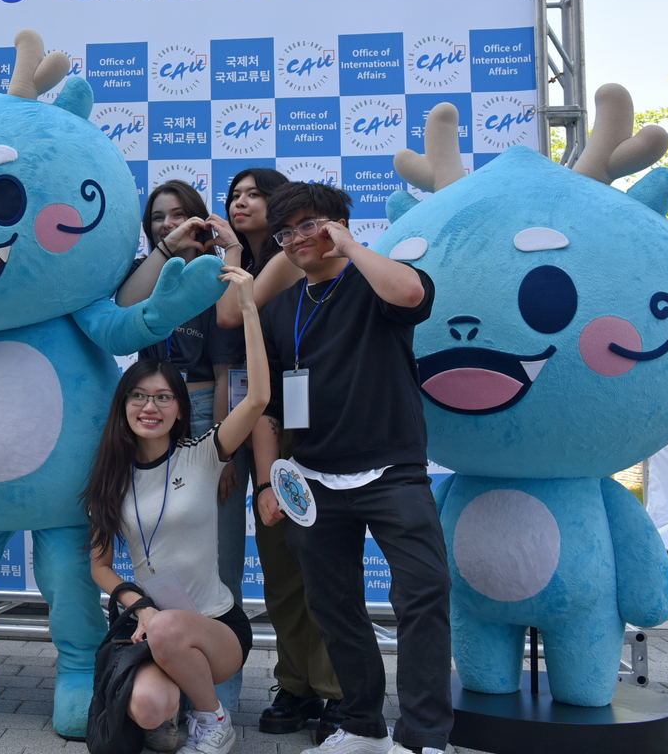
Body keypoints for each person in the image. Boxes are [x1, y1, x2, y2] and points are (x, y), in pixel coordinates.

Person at [251, 182, 451, 754]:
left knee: (423, 596)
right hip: (313, 481)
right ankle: (363, 725)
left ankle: (425, 737)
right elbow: (267, 406)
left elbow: (412, 294)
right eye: (286, 233)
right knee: (334, 609)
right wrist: (268, 480)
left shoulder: (375, 280)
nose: (296, 241)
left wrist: (352, 247)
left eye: (309, 225)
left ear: (338, 223)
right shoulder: (284, 309)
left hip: (393, 472)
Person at [85, 263, 270, 754]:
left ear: (179, 408)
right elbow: (100, 567)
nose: (151, 407)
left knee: (169, 627)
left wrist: (249, 307)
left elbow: (257, 399)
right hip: (150, 624)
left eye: (164, 397)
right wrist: (139, 607)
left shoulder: (204, 454)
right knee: (146, 707)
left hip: (217, 628)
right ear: (124, 407)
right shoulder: (111, 476)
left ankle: (213, 721)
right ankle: (172, 714)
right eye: (139, 396)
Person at [214, 170, 342, 743]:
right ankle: (296, 682)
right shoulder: (241, 268)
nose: (240, 203)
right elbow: (230, 333)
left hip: (327, 429)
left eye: (253, 194)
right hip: (266, 423)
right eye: (233, 196)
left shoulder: (306, 260)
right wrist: (265, 477)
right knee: (281, 568)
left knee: (325, 568)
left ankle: (337, 691)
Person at [115, 180, 245, 727]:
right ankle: (169, 675)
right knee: (158, 557)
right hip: (152, 417)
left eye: (177, 216)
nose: (167, 224)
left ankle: (222, 697)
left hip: (202, 417)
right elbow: (123, 308)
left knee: (218, 563)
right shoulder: (153, 270)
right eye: (158, 218)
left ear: (200, 218)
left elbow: (227, 373)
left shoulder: (216, 275)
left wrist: (223, 454)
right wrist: (166, 250)